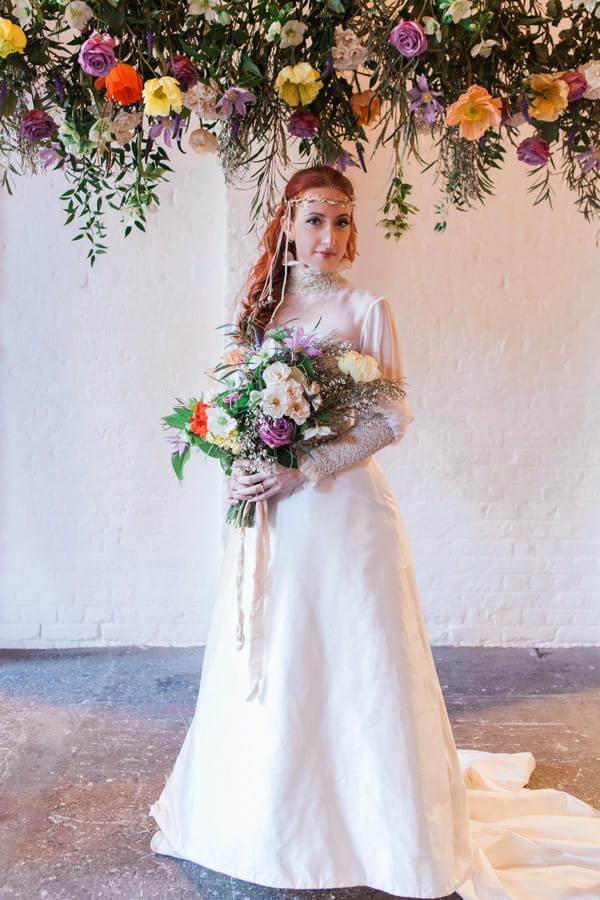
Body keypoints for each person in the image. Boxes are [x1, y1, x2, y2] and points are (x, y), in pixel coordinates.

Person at [150, 166, 600, 898]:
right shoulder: (263, 311)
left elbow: (390, 418)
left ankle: (371, 827)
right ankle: (265, 817)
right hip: (272, 517)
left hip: (343, 515)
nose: (328, 236)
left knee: (351, 658)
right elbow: (229, 406)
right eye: (315, 219)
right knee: (278, 651)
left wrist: (302, 470)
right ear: (289, 223)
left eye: (341, 221)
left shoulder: (369, 308)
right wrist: (241, 465)